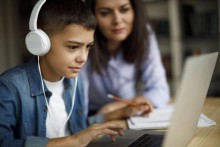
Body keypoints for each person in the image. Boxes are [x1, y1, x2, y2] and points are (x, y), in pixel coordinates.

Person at [0, 0, 124, 147]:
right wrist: (74, 141)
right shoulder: (10, 86)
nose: (83, 58)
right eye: (73, 47)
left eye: (88, 47)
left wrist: (116, 114)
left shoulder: (77, 81)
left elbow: (80, 129)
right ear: (41, 43)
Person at [82, 0, 170, 124]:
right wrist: (112, 112)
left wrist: (113, 108)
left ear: (134, 10)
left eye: (124, 10)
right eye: (105, 13)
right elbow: (80, 122)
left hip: (127, 112)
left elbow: (160, 91)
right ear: (92, 16)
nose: (117, 20)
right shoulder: (82, 43)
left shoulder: (144, 34)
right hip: (94, 115)